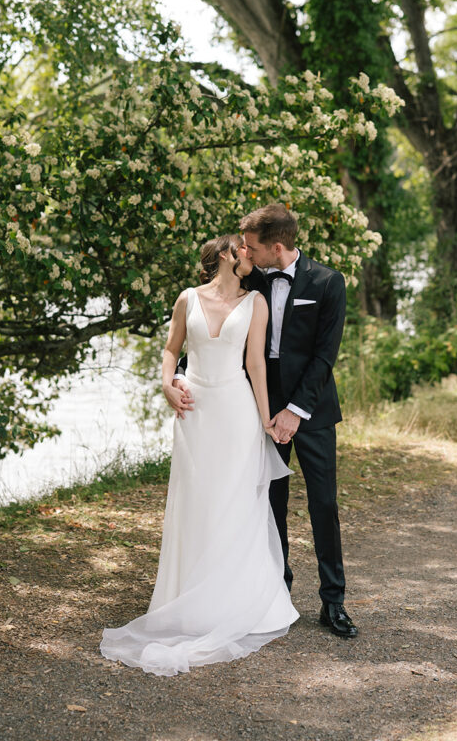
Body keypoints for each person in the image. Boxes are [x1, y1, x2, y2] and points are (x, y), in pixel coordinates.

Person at [100, 234, 298, 675]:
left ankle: (232, 600)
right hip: (193, 412)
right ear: (228, 255)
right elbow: (171, 351)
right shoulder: (187, 299)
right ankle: (184, 600)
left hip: (236, 411)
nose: (251, 253)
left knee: (235, 502)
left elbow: (256, 364)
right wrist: (168, 385)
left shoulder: (256, 303)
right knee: (194, 503)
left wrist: (267, 420)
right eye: (244, 248)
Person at [238, 203, 357, 639]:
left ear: (277, 246)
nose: (245, 253)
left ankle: (333, 602)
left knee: (323, 504)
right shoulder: (250, 280)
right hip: (263, 408)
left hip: (312, 411)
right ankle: (276, 595)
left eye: (251, 247)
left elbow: (325, 356)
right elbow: (219, 322)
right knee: (270, 506)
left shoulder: (328, 282)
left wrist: (295, 412)